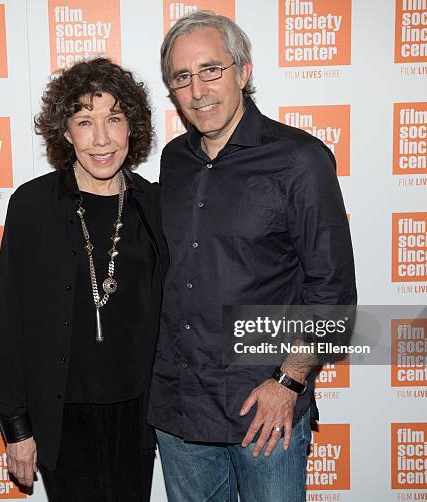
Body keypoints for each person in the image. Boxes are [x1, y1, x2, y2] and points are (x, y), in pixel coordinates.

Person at [148, 11, 356, 502]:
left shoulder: (299, 160)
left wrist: (289, 382)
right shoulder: (173, 160)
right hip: (180, 408)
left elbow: (334, 295)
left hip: (264, 406)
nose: (198, 91)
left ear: (243, 72)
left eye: (211, 70)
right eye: (182, 78)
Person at [0, 57, 168, 501]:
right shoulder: (32, 207)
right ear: (66, 133)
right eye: (85, 121)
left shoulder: (157, 205)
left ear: (132, 127)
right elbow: (12, 322)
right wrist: (15, 426)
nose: (102, 138)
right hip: (62, 415)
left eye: (114, 119)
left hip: (139, 414)